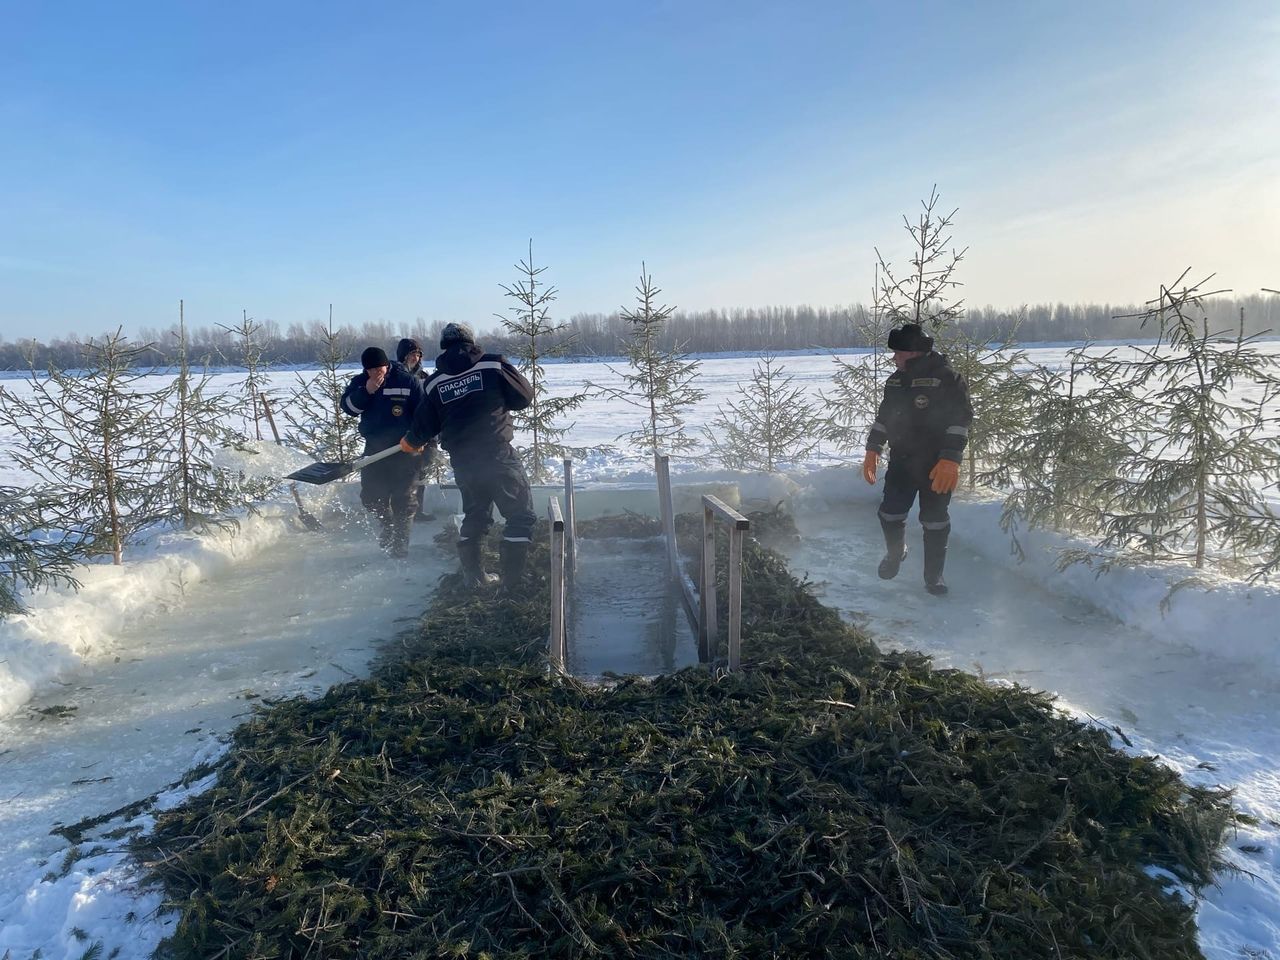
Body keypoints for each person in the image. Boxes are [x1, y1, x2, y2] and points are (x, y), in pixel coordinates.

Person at [399, 323, 536, 590]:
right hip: (497, 454)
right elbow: (524, 397)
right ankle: (513, 582)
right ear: (471, 342)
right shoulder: (493, 365)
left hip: (464, 462)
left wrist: (410, 442)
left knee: (476, 516)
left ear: (443, 347)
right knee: (520, 516)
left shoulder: (435, 382)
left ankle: (474, 579)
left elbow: (424, 427)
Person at [862, 323, 973, 595]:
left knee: (934, 520)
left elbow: (960, 421)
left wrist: (950, 459)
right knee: (889, 513)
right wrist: (873, 448)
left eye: (898, 353)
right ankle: (896, 552)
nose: (893, 358)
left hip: (937, 466)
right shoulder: (895, 381)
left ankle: (934, 577)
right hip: (902, 460)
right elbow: (884, 418)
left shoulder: (947, 378)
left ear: (913, 353)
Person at [340, 346, 426, 558]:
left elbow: (426, 413)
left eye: (380, 368)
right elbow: (348, 408)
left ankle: (400, 545)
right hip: (375, 450)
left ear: (387, 365)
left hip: (406, 449)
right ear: (365, 370)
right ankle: (386, 524)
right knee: (371, 497)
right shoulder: (361, 383)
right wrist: (366, 391)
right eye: (372, 370)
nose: (377, 373)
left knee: (403, 500)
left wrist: (421, 438)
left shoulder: (407, 381)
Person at [395, 337, 436, 523]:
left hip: (427, 435)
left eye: (418, 354)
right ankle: (401, 512)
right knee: (403, 476)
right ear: (403, 356)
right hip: (405, 436)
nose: (415, 357)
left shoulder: (425, 378)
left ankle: (418, 511)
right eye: (412, 354)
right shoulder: (396, 379)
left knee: (422, 473)